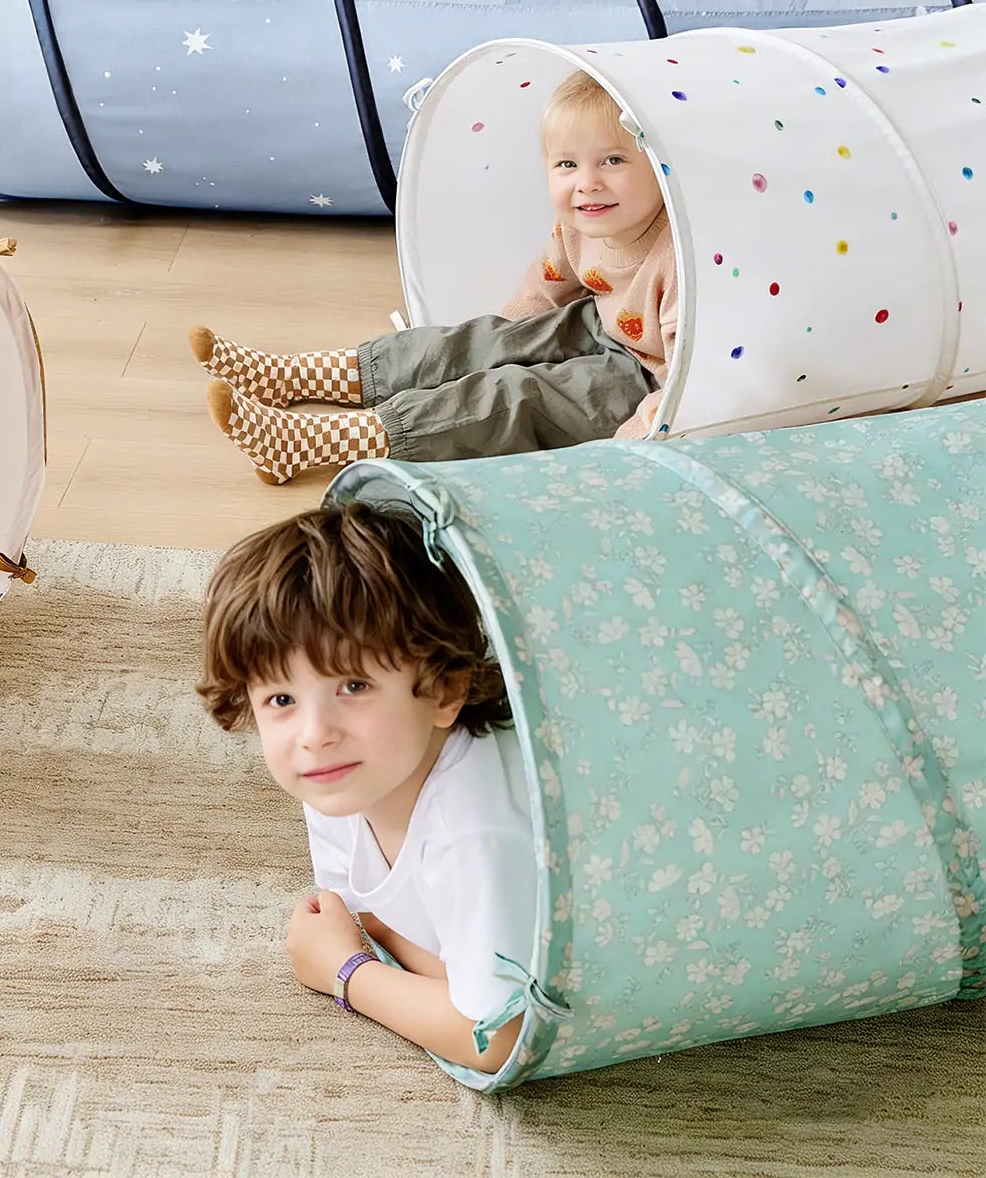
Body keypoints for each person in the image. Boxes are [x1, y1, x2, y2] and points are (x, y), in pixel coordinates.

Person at [191, 69, 677, 482]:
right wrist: (503, 343)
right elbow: (543, 289)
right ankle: (292, 377)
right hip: (598, 324)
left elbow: (692, 382)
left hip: (651, 376)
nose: (587, 182)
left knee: (511, 397)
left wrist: (636, 441)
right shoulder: (579, 224)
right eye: (567, 164)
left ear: (659, 165)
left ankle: (314, 443)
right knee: (472, 344)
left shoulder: (676, 260)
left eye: (613, 160)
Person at [198, 501, 537, 1076]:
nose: (314, 734)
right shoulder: (345, 773)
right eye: (281, 700)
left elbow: (500, 1037)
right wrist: (399, 946)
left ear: (444, 690)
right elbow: (368, 914)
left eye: (353, 685)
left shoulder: (473, 833)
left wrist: (348, 971)